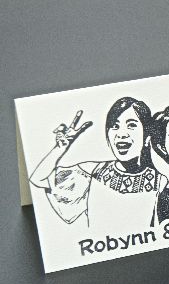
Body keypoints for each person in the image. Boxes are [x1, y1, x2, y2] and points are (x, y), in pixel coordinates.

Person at [29, 97, 162, 228]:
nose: (121, 134)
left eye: (131, 125)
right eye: (115, 126)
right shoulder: (94, 172)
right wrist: (60, 148)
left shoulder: (160, 179)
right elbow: (39, 179)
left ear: (147, 136)